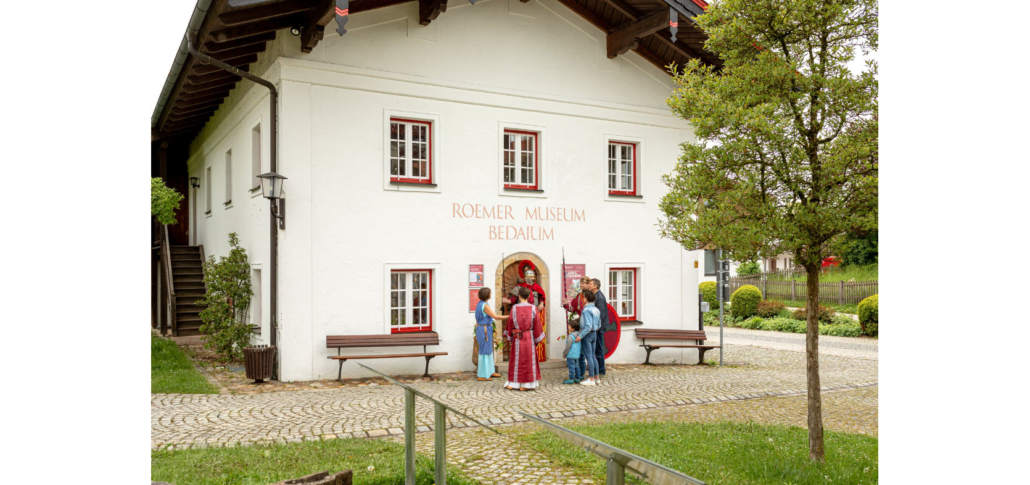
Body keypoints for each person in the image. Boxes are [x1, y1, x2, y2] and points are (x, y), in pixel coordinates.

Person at [504, 286, 545, 391]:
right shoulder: (533, 308)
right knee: (527, 359)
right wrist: (537, 338)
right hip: (529, 337)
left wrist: (509, 336)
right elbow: (537, 325)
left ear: (519, 296)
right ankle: (524, 385)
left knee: (517, 359)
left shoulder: (514, 308)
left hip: (518, 336)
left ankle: (517, 384)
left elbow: (510, 323)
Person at [475, 288, 508, 381]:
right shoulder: (484, 306)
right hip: (484, 329)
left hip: (483, 329)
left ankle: (490, 371)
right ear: (487, 294)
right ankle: (482, 375)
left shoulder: (480, 304)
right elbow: (496, 317)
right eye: (490, 293)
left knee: (488, 350)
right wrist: (510, 316)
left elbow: (477, 320)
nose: (491, 294)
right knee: (484, 351)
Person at [576, 289, 600, 386]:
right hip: (594, 333)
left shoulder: (586, 310)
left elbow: (588, 326)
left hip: (587, 335)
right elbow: (599, 324)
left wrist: (580, 336)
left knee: (589, 357)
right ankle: (597, 377)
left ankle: (591, 378)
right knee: (593, 356)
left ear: (585, 298)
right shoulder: (596, 309)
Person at [591, 278, 610, 379]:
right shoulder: (596, 296)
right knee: (598, 348)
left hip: (600, 326)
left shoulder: (599, 297)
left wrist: (596, 326)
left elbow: (600, 314)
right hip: (598, 326)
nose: (589, 285)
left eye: (590, 284)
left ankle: (601, 370)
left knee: (599, 348)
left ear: (595, 286)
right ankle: (599, 368)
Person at [563, 319, 583, 385]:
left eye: (569, 326)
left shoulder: (571, 336)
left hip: (571, 355)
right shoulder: (579, 335)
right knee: (577, 366)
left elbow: (568, 346)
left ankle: (571, 379)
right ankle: (577, 378)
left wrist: (564, 354)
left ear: (573, 328)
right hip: (577, 355)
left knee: (571, 367)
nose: (568, 327)